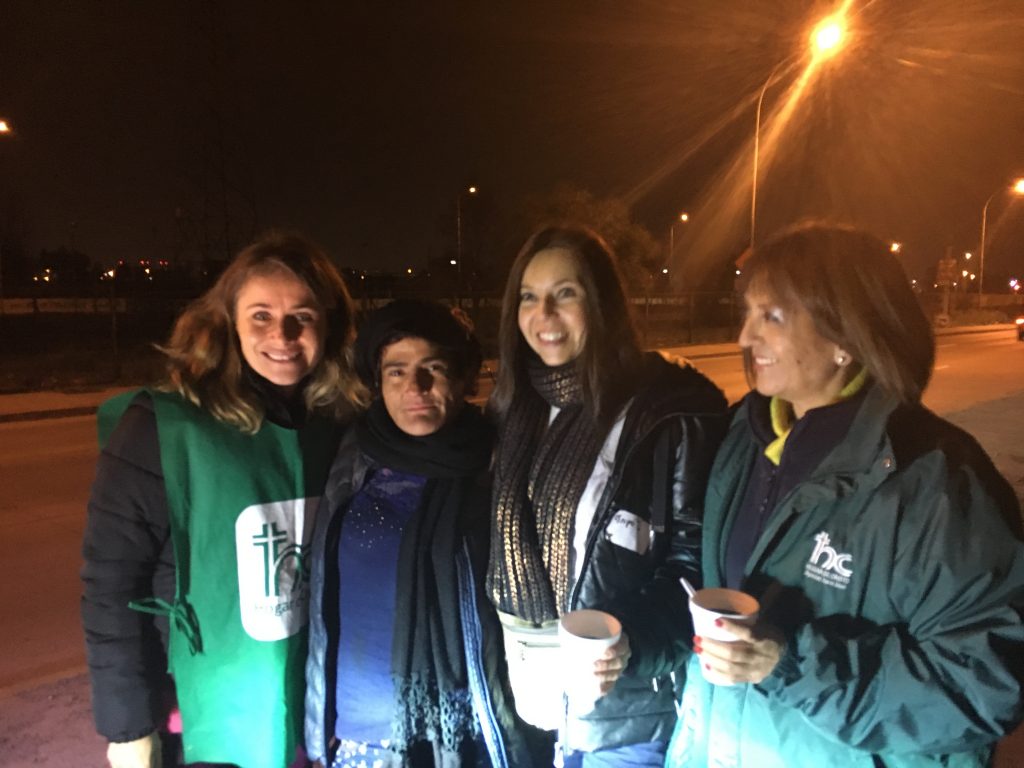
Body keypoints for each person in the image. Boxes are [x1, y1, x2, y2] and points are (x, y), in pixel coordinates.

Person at [665, 223, 1024, 768]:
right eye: (748, 312)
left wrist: (794, 666)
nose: (743, 337)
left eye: (772, 316)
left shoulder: (934, 482)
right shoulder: (744, 436)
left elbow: (987, 681)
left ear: (845, 339)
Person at [81, 231, 361, 768]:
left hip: (311, 714)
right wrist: (128, 729)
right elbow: (110, 586)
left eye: (302, 315)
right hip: (198, 720)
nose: (282, 334)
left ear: (329, 324)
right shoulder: (162, 429)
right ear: (228, 322)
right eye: (260, 315)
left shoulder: (339, 427)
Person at [486, 225, 728, 766]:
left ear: (602, 304)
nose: (544, 315)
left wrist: (630, 642)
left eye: (565, 293)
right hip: (525, 696)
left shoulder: (663, 414)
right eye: (529, 296)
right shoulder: (513, 409)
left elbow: (696, 566)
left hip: (622, 714)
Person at [304, 299, 542, 768]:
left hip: (463, 734)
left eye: (433, 368)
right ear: (378, 382)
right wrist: (318, 723)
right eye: (396, 372)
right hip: (359, 736)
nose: (415, 387)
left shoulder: (498, 468)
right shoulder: (350, 455)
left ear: (464, 378)